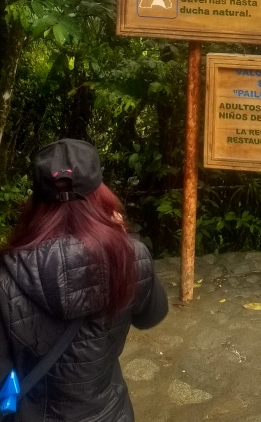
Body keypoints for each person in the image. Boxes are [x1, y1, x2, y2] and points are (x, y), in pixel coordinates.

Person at [0, 139, 168, 421]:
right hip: (110, 413)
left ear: (36, 200)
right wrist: (121, 239)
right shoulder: (130, 254)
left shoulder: (7, 275)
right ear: (100, 192)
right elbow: (152, 316)